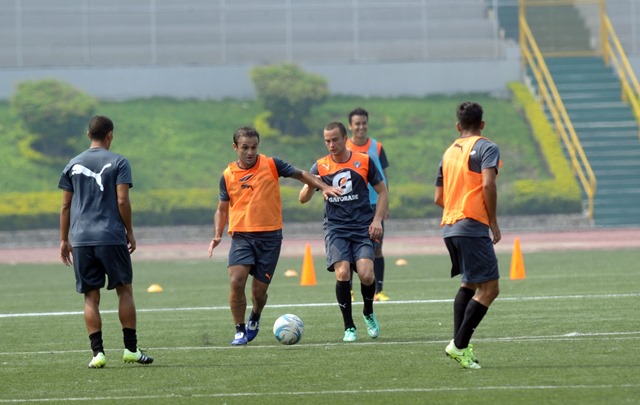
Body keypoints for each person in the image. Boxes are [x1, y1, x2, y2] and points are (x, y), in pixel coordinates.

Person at [208, 126, 341, 346]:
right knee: (236, 280)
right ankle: (239, 330)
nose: (250, 152)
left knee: (258, 293)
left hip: (270, 238)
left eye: (254, 147)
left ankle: (256, 315)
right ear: (235, 148)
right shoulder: (228, 175)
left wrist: (323, 187)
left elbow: (302, 175)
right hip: (242, 236)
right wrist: (217, 234)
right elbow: (222, 208)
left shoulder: (271, 164)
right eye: (244, 148)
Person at [58, 115, 153, 368]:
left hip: (81, 239)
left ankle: (97, 354)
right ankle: (131, 349)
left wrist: (63, 240)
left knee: (91, 297)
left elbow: (65, 205)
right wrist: (129, 230)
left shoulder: (72, 164)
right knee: (124, 290)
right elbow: (122, 201)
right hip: (110, 237)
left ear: (88, 135)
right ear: (110, 134)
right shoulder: (119, 162)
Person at [299, 122, 388, 342]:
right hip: (336, 228)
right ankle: (349, 326)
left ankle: (368, 312)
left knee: (367, 274)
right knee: (343, 273)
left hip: (361, 227)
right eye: (327, 141)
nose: (331, 145)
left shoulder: (364, 161)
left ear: (345, 138)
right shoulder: (320, 166)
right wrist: (314, 184)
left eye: (335, 139)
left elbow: (383, 192)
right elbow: (302, 198)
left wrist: (377, 219)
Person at [434, 102, 501, 370]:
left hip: (450, 226)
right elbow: (488, 183)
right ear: (482, 124)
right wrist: (492, 221)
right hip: (472, 226)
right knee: (490, 288)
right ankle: (459, 345)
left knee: (469, 284)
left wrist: (457, 206)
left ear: (458, 125)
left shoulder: (448, 152)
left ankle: (460, 345)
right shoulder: (487, 147)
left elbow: (438, 197)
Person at [346, 107, 390, 302]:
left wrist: (385, 204)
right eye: (357, 123)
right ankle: (349, 290)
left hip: (373, 205)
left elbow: (384, 178)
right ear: (350, 126)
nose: (361, 127)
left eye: (364, 123)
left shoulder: (377, 148)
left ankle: (378, 290)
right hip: (350, 205)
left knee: (376, 248)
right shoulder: (344, 147)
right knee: (347, 250)